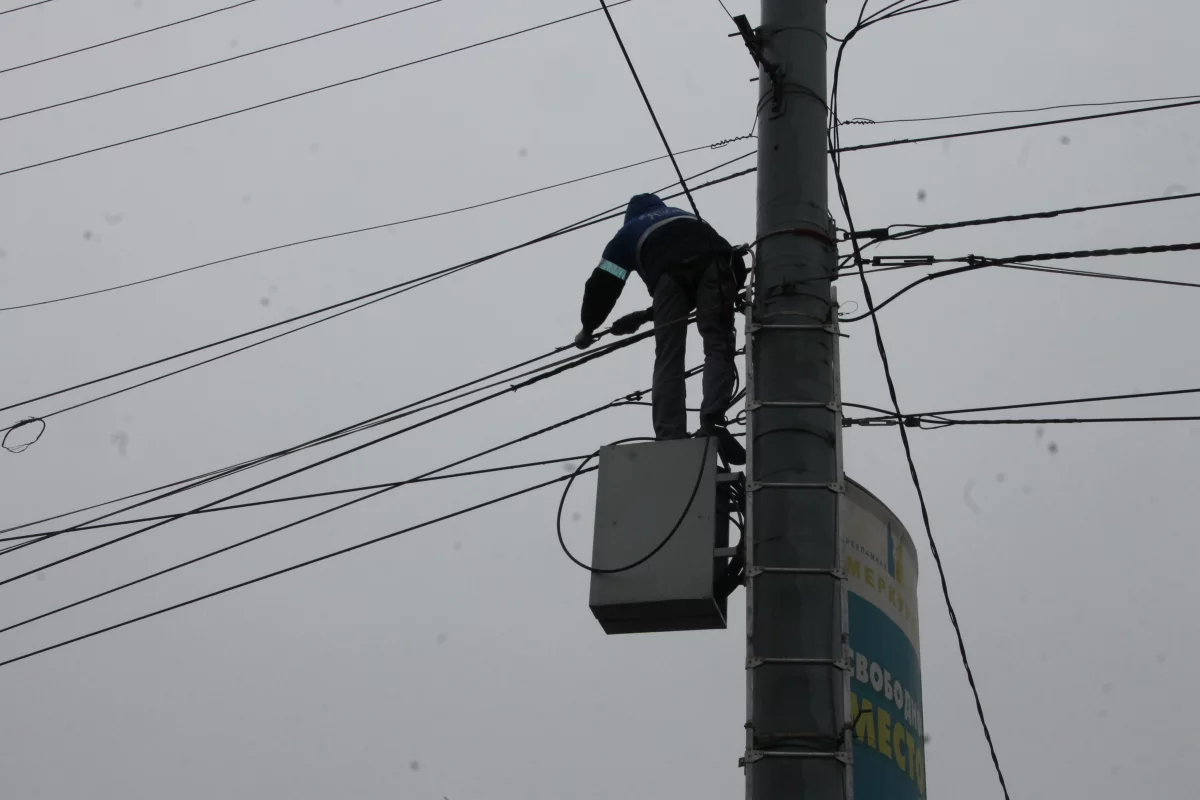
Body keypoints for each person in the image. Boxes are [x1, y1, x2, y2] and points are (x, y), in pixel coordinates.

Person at [574, 193, 746, 465]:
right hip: (717, 264)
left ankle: (670, 436)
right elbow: (724, 261)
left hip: (668, 277)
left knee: (669, 358)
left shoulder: (627, 234)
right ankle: (713, 419)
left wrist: (587, 328)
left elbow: (604, 283)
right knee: (718, 343)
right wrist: (645, 316)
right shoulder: (686, 216)